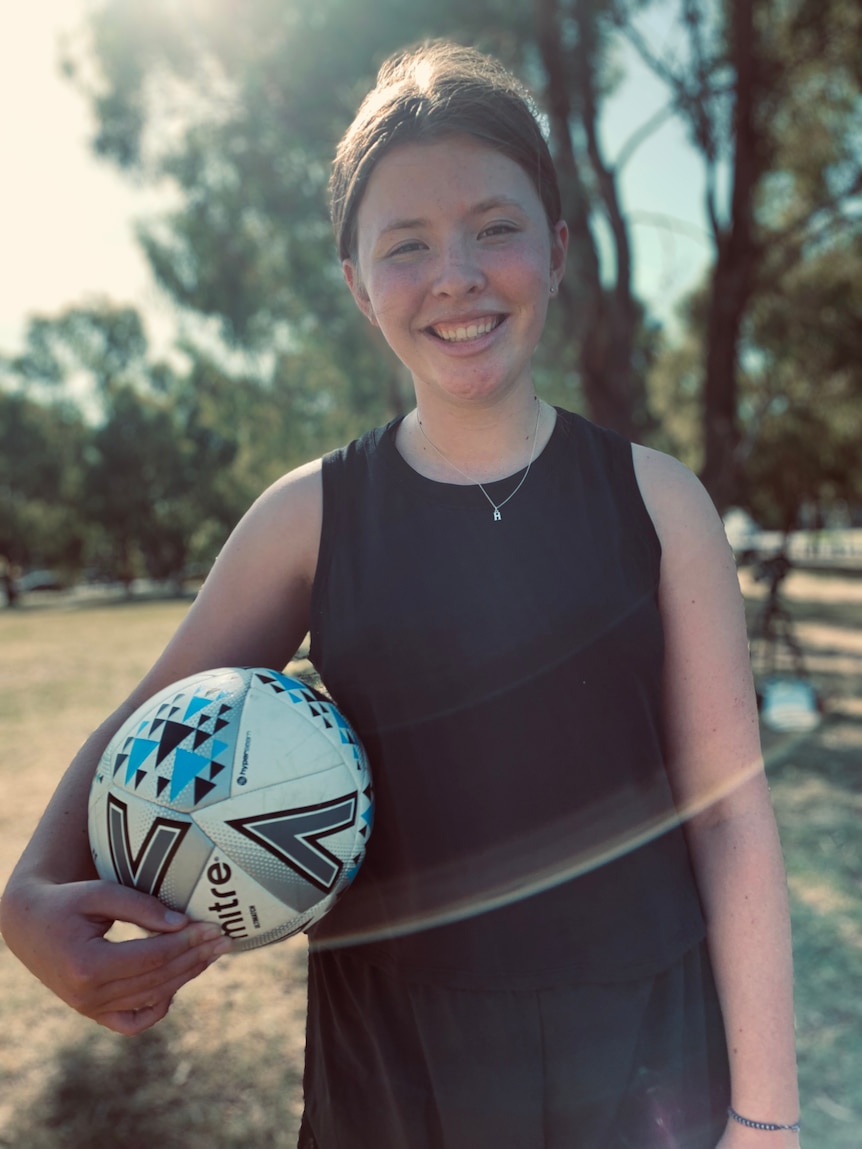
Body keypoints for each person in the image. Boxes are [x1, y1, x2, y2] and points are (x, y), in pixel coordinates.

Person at [0, 40, 800, 1149]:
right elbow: (148, 719)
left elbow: (728, 817)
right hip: (395, 1069)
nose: (457, 275)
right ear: (357, 286)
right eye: (406, 245)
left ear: (559, 249)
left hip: (642, 1053)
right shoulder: (307, 516)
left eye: (496, 227)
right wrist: (30, 894)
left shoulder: (660, 505)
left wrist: (764, 1120)